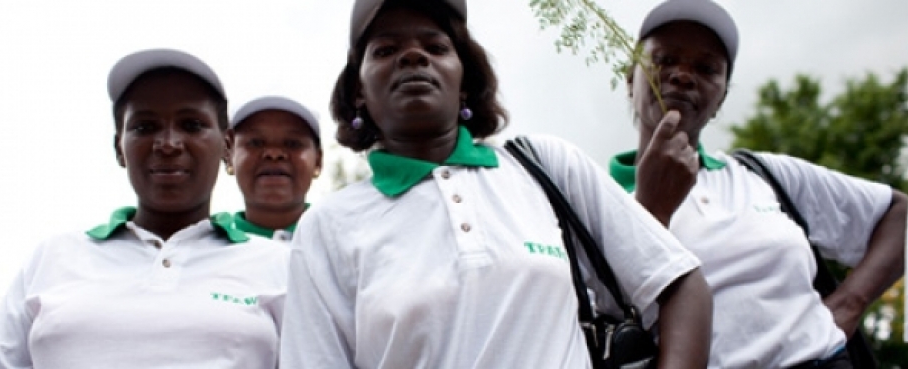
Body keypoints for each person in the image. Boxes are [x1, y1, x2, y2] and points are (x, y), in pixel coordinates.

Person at [279, 0, 713, 367]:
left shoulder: (545, 166)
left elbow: (680, 283)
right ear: (358, 91)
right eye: (386, 49)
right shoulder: (328, 227)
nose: (413, 58)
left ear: (464, 81)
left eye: (436, 46)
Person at [607, 0, 907, 367]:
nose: (683, 75)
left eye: (706, 68)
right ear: (629, 79)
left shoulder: (764, 176)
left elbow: (898, 213)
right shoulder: (596, 203)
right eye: (665, 59)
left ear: (721, 99)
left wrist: (848, 305)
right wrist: (652, 209)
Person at [0, 49, 290, 368]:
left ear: (227, 146)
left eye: (191, 124)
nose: (169, 143)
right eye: (145, 127)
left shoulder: (278, 264)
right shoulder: (52, 258)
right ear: (119, 148)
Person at [226, 96, 323, 240]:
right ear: (229, 157)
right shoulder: (203, 249)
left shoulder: (343, 242)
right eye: (256, 142)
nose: (274, 154)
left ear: (318, 161)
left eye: (292, 143)